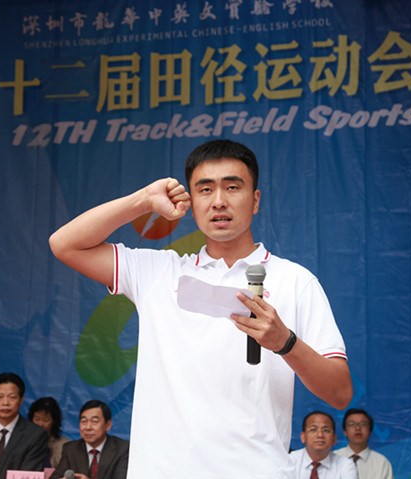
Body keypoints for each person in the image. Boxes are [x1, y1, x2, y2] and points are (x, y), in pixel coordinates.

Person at [49, 139, 353, 477]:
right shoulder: (158, 272)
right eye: (205, 190)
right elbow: (64, 244)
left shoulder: (295, 281)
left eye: (232, 187)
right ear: (190, 204)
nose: (219, 201)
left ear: (255, 200)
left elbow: (340, 393)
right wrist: (144, 200)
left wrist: (286, 342)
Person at [49, 400, 128, 479]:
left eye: (94, 421)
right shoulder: (71, 449)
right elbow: (56, 476)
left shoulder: (122, 449)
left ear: (107, 425)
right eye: (84, 421)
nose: (88, 427)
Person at [289, 411, 357, 479]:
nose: (320, 435)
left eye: (326, 430)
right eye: (313, 429)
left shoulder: (345, 465)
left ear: (334, 438)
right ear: (303, 437)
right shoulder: (290, 461)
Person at [335, 408, 394, 479]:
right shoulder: (333, 459)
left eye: (363, 424)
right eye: (351, 424)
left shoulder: (382, 463)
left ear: (370, 431)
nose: (357, 428)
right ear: (345, 431)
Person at [28, 397, 69, 468]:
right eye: (37, 419)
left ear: (54, 421)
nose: (40, 424)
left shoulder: (64, 445)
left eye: (45, 420)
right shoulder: (23, 441)